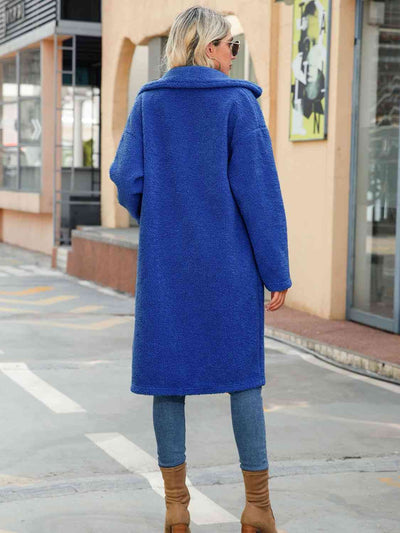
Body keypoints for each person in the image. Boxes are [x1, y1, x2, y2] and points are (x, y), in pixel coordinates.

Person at [109, 5, 291, 533]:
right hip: (230, 268)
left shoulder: (150, 103)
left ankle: (176, 506)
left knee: (167, 382)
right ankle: (257, 507)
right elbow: (259, 195)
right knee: (244, 381)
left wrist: (160, 216)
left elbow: (126, 176)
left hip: (165, 268)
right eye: (231, 46)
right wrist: (276, 270)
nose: (234, 55)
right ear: (209, 48)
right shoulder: (238, 104)